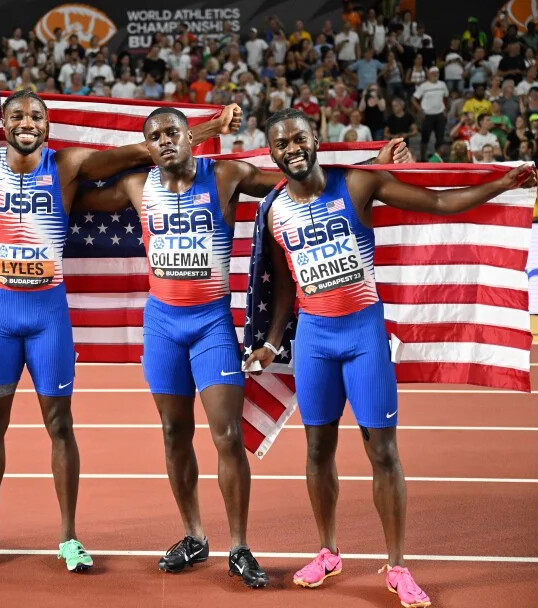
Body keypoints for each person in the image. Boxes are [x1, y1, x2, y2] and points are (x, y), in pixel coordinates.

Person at [0, 90, 242, 573]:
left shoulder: (67, 166)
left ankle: (69, 538)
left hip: (48, 316)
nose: (28, 122)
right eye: (18, 115)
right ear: (3, 123)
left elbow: (142, 151)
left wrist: (207, 130)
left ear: (48, 125)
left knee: (60, 425)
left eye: (36, 116)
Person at [74, 108, 409, 587]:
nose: (165, 141)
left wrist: (373, 165)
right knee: (173, 432)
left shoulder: (226, 175)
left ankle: (239, 546)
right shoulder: (136, 185)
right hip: (163, 326)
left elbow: (298, 178)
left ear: (191, 137)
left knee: (228, 436)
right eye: (155, 137)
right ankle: (193, 535)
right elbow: (78, 188)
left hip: (210, 324)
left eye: (173, 132)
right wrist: (131, 155)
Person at [243, 107, 535, 608]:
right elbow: (285, 284)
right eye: (282, 144)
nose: (292, 149)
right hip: (314, 340)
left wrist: (502, 182)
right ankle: (328, 551)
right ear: (272, 153)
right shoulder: (274, 211)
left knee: (382, 453)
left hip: (363, 336)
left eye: (299, 139)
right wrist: (271, 342)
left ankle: (397, 565)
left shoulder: (357, 185)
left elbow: (439, 203)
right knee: (318, 450)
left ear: (317, 140)